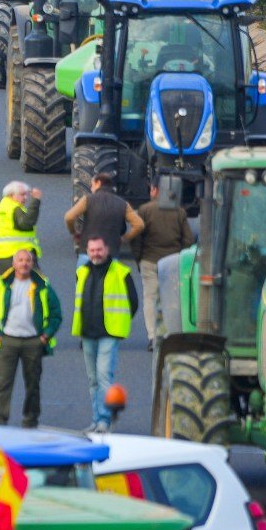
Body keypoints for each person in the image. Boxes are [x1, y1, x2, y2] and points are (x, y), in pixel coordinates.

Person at [0, 248, 59, 428]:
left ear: (32, 264)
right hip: (8, 341)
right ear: (14, 263)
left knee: (33, 384)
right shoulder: (2, 285)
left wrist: (46, 335)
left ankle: (30, 419)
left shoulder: (43, 286)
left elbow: (56, 314)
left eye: (28, 260)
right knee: (4, 382)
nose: (24, 263)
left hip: (33, 342)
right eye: (20, 260)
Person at [74, 236, 138, 432]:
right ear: (87, 251)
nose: (96, 253)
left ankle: (105, 420)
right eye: (92, 250)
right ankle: (96, 419)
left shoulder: (121, 272)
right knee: (93, 379)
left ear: (107, 250)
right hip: (87, 332)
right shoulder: (82, 272)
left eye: (99, 250)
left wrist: (121, 323)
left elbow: (133, 302)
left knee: (103, 376)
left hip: (109, 332)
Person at [134, 179, 194, 345]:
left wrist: (139, 257)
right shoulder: (180, 212)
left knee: (150, 298)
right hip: (172, 262)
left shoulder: (144, 210)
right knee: (172, 299)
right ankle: (169, 335)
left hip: (149, 260)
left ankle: (153, 337)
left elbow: (136, 237)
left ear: (154, 190)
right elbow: (188, 239)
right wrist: (180, 254)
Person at [63, 173, 143, 267]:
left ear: (98, 183)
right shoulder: (122, 204)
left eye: (92, 185)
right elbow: (139, 224)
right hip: (111, 252)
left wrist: (74, 232)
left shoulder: (88, 200)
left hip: (88, 251)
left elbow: (69, 217)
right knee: (108, 280)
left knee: (84, 280)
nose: (91, 188)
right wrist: (124, 238)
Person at [0, 180, 43, 278]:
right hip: (20, 258)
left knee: (3, 289)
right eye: (22, 195)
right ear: (10, 195)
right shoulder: (15, 209)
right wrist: (36, 201)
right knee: (37, 286)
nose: (25, 198)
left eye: (26, 195)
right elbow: (27, 222)